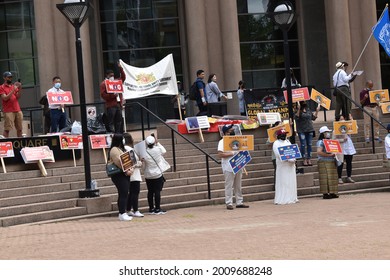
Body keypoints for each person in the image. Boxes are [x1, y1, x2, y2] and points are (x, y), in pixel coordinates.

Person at [217, 124, 249, 210]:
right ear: (224, 133)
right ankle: (229, 202)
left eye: (231, 131)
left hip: (238, 164)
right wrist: (231, 153)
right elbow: (220, 154)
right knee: (229, 185)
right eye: (228, 132)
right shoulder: (222, 142)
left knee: (238, 184)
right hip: (228, 166)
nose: (230, 133)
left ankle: (239, 202)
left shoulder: (236, 140)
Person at [108, 133, 134, 221]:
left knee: (124, 193)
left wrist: (130, 169)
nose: (123, 140)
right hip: (118, 174)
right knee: (123, 193)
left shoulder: (120, 149)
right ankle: (122, 212)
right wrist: (127, 171)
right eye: (122, 138)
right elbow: (119, 161)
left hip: (124, 174)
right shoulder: (114, 149)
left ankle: (122, 212)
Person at [143, 134, 169, 215]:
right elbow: (164, 151)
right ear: (154, 142)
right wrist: (158, 143)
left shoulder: (144, 152)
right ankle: (158, 208)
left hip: (148, 174)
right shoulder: (158, 149)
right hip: (157, 173)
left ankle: (151, 208)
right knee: (157, 191)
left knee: (150, 191)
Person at [272, 128, 298, 205]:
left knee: (291, 181)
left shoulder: (287, 141)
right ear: (279, 136)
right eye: (282, 134)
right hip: (283, 165)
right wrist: (287, 159)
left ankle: (292, 197)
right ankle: (283, 198)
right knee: (283, 181)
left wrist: (293, 159)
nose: (284, 135)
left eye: (285, 134)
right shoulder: (276, 143)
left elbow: (292, 151)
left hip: (290, 165)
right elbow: (278, 154)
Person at [100, 62, 126, 133]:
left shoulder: (116, 82)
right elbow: (103, 95)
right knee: (110, 121)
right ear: (107, 75)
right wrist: (112, 95)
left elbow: (123, 78)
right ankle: (111, 134)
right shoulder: (103, 84)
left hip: (118, 104)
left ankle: (118, 134)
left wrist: (120, 68)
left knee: (119, 121)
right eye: (111, 75)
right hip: (111, 105)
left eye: (113, 75)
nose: (112, 76)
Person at [123, 132, 144, 218]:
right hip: (134, 174)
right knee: (135, 192)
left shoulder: (123, 148)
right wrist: (141, 162)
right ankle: (136, 210)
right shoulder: (129, 149)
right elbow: (134, 163)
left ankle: (128, 209)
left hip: (128, 175)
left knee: (130, 193)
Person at [295, 101, 320, 166]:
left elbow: (313, 118)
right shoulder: (297, 110)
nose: (304, 102)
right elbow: (296, 118)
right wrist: (298, 109)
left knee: (309, 144)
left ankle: (309, 158)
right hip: (301, 130)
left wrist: (317, 111)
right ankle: (304, 159)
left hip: (310, 129)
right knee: (303, 144)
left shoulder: (308, 110)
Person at [316, 126, 339, 199]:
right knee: (325, 177)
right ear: (323, 133)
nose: (328, 133)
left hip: (331, 160)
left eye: (328, 132)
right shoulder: (320, 142)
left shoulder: (330, 141)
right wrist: (329, 155)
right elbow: (319, 152)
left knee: (332, 177)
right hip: (323, 161)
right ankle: (325, 193)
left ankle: (332, 192)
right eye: (326, 132)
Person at [0, 71, 23, 138]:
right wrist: (13, 90)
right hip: (8, 110)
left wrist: (20, 88)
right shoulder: (2, 87)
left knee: (20, 128)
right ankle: (5, 143)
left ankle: (20, 143)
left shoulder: (13, 86)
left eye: (11, 77)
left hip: (17, 109)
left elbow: (18, 97)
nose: (10, 78)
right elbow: (5, 98)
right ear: (4, 78)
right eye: (8, 77)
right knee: (7, 129)